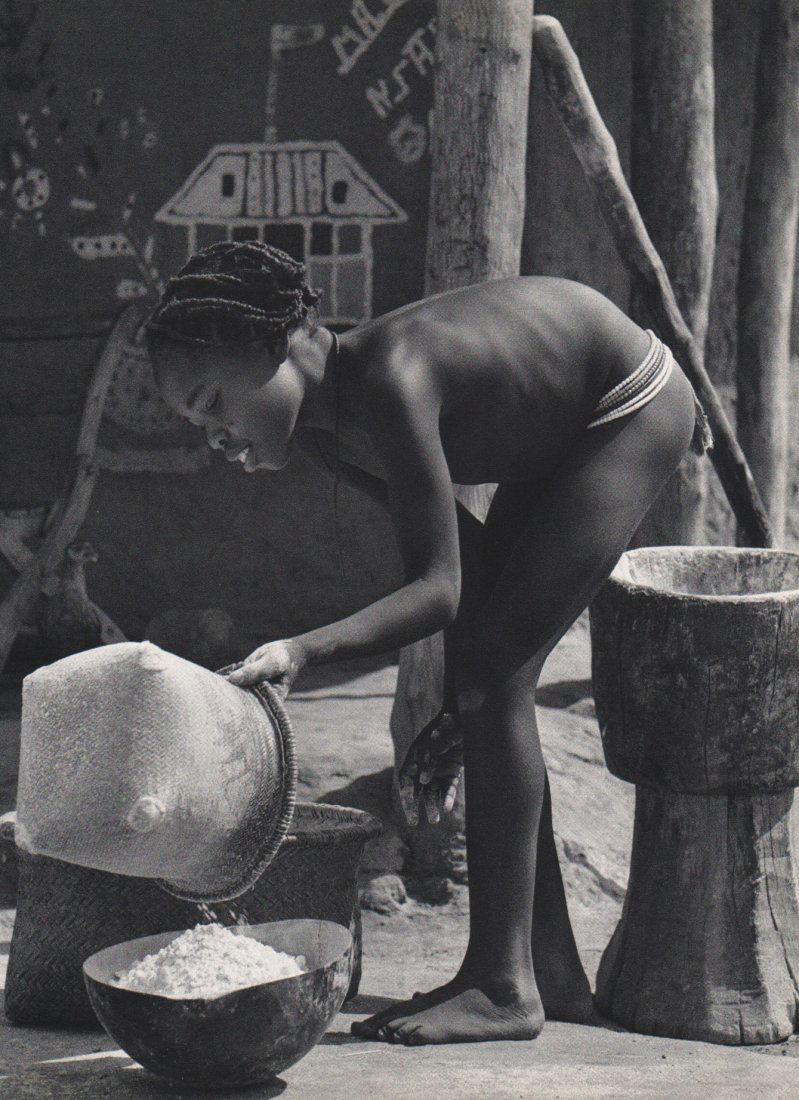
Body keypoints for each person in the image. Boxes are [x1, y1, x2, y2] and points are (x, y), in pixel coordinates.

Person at [146, 240, 712, 1046]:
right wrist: (470, 706)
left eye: (214, 402)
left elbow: (436, 591)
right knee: (483, 682)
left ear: (291, 347)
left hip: (625, 406)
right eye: (198, 422)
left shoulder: (392, 377)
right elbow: (468, 565)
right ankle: (546, 971)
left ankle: (500, 985)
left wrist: (304, 649)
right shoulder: (327, 429)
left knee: (488, 682)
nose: (215, 437)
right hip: (555, 442)